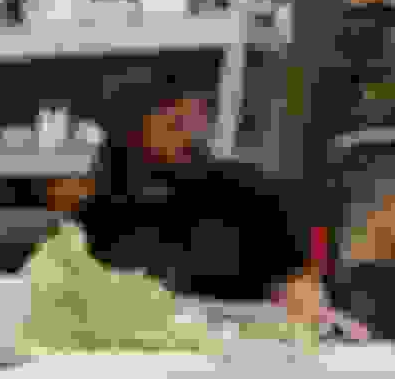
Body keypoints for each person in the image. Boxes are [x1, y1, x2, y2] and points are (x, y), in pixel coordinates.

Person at [45, 82, 323, 311]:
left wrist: (301, 283)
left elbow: (300, 263)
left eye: (180, 121)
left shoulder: (243, 191)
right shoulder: (101, 208)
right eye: (168, 120)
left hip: (228, 336)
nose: (181, 127)